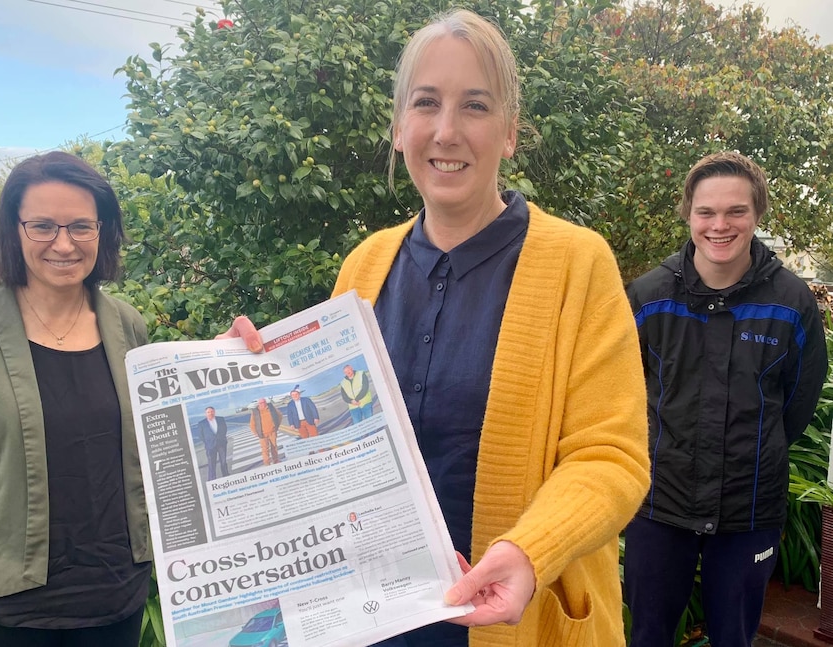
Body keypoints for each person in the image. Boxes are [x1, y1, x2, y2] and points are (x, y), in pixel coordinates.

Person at [220, 9, 650, 646]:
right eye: (427, 103)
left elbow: (611, 457)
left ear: (509, 132)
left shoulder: (577, 263)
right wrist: (241, 380)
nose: (447, 131)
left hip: (512, 622)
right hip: (372, 622)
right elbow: (325, 436)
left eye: (475, 105)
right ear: (399, 128)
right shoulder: (364, 266)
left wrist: (531, 552)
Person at [624, 151, 828, 647]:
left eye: (736, 211)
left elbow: (797, 404)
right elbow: (622, 395)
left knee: (734, 638)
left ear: (757, 215)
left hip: (748, 510)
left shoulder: (791, 301)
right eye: (706, 212)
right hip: (659, 505)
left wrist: (757, 451)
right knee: (648, 635)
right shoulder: (648, 297)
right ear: (688, 215)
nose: (720, 225)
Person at [0, 151, 152, 646]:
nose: (64, 244)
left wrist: (227, 361)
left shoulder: (126, 324)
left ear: (103, 231)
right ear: (14, 229)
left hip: (116, 597)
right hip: (9, 607)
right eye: (43, 226)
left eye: (81, 227)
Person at [197, 406, 229, 480]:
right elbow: (201, 436)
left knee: (223, 461)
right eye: (208, 412)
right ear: (205, 414)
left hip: (221, 444)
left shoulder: (221, 419)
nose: (210, 413)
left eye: (212, 411)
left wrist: (221, 438)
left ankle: (226, 475)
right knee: (211, 463)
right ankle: (212, 478)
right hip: (210, 446)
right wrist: (208, 442)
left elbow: (224, 429)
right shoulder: (202, 423)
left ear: (214, 412)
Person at [250, 397, 282, 465]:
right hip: (262, 434)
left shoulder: (271, 408)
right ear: (258, 404)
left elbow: (280, 416)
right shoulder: (255, 412)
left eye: (263, 402)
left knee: (274, 447)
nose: (262, 404)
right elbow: (252, 423)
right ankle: (267, 463)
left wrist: (276, 425)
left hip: (272, 432)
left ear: (265, 402)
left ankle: (276, 460)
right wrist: (255, 432)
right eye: (260, 403)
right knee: (265, 449)